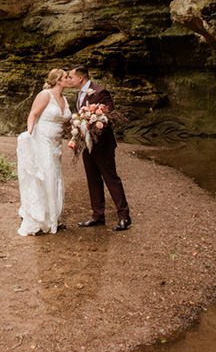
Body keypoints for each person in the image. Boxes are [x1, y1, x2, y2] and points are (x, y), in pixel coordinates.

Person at [68, 65, 131, 231]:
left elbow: (108, 114)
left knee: (111, 179)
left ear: (80, 78)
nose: (69, 80)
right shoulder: (78, 94)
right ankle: (97, 216)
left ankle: (124, 217)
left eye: (71, 77)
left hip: (103, 145)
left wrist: (94, 121)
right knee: (93, 180)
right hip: (87, 144)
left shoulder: (100, 92)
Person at [17, 68, 71, 236]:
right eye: (65, 77)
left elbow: (65, 123)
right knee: (46, 176)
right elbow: (33, 114)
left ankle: (52, 216)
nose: (69, 79)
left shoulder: (65, 99)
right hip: (42, 141)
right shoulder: (45, 95)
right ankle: (41, 219)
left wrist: (77, 132)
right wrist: (30, 134)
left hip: (56, 144)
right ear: (57, 80)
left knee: (55, 177)